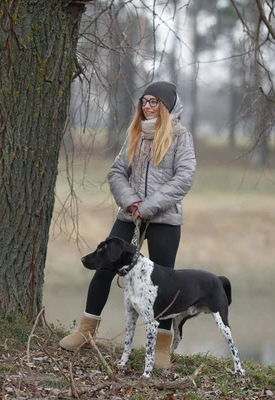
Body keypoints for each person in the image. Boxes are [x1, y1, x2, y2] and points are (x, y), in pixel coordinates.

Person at [59, 81, 197, 369]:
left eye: (153, 101)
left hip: (164, 220)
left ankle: (161, 347)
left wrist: (148, 207)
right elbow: (116, 172)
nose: (146, 106)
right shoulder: (134, 134)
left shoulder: (180, 137)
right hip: (129, 216)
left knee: (165, 284)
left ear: (167, 106)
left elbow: (183, 178)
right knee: (103, 268)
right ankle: (85, 331)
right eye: (144, 101)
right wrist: (132, 203)